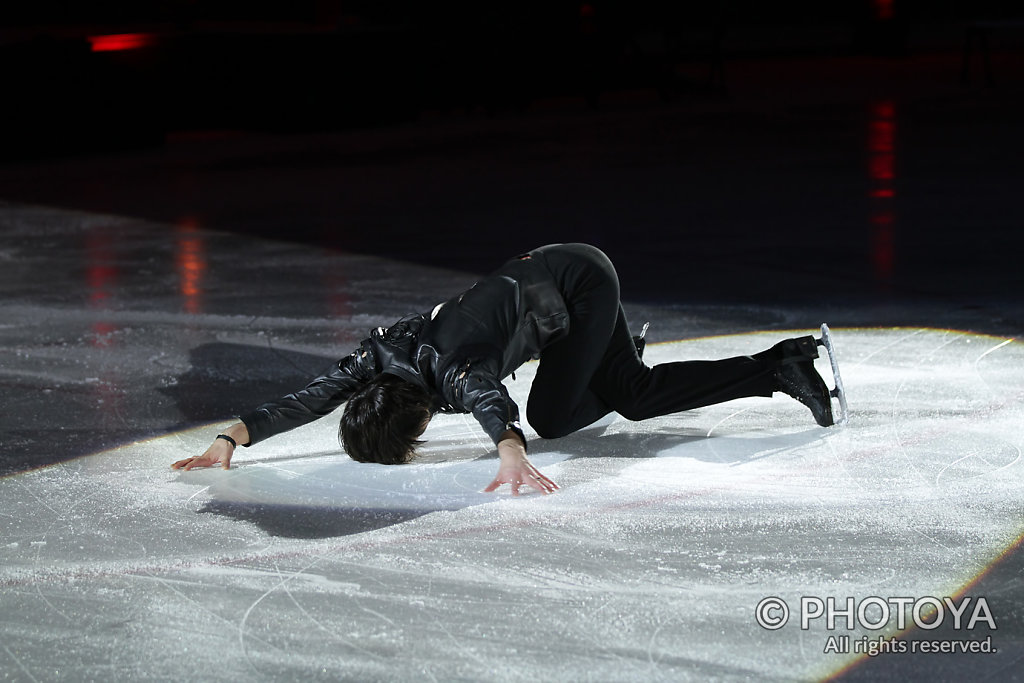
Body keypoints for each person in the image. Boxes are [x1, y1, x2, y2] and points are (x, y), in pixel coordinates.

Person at [172, 243, 838, 495]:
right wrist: (233, 435)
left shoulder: (454, 371)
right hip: (547, 279)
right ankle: (773, 363)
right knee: (620, 391)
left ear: (416, 422)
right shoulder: (378, 359)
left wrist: (511, 449)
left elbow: (491, 399)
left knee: (579, 408)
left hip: (580, 285)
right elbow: (311, 396)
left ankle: (778, 365)